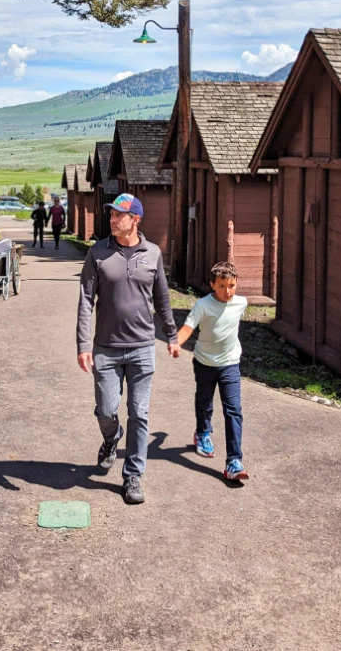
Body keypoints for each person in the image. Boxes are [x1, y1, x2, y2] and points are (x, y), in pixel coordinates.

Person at [76, 192, 180, 505]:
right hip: (105, 350)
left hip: (142, 348)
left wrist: (172, 335)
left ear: (135, 219)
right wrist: (83, 344)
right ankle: (111, 437)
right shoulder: (98, 253)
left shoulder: (153, 253)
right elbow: (85, 301)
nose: (111, 219)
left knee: (140, 413)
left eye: (118, 215)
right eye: (110, 214)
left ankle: (133, 475)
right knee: (107, 410)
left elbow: (162, 298)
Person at [176, 260, 250, 481]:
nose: (227, 291)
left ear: (236, 284)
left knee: (233, 410)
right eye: (221, 286)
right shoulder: (202, 305)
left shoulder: (242, 303)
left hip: (230, 364)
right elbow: (188, 326)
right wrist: (176, 343)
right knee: (205, 401)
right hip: (205, 362)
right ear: (212, 284)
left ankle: (234, 462)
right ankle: (202, 433)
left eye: (231, 286)